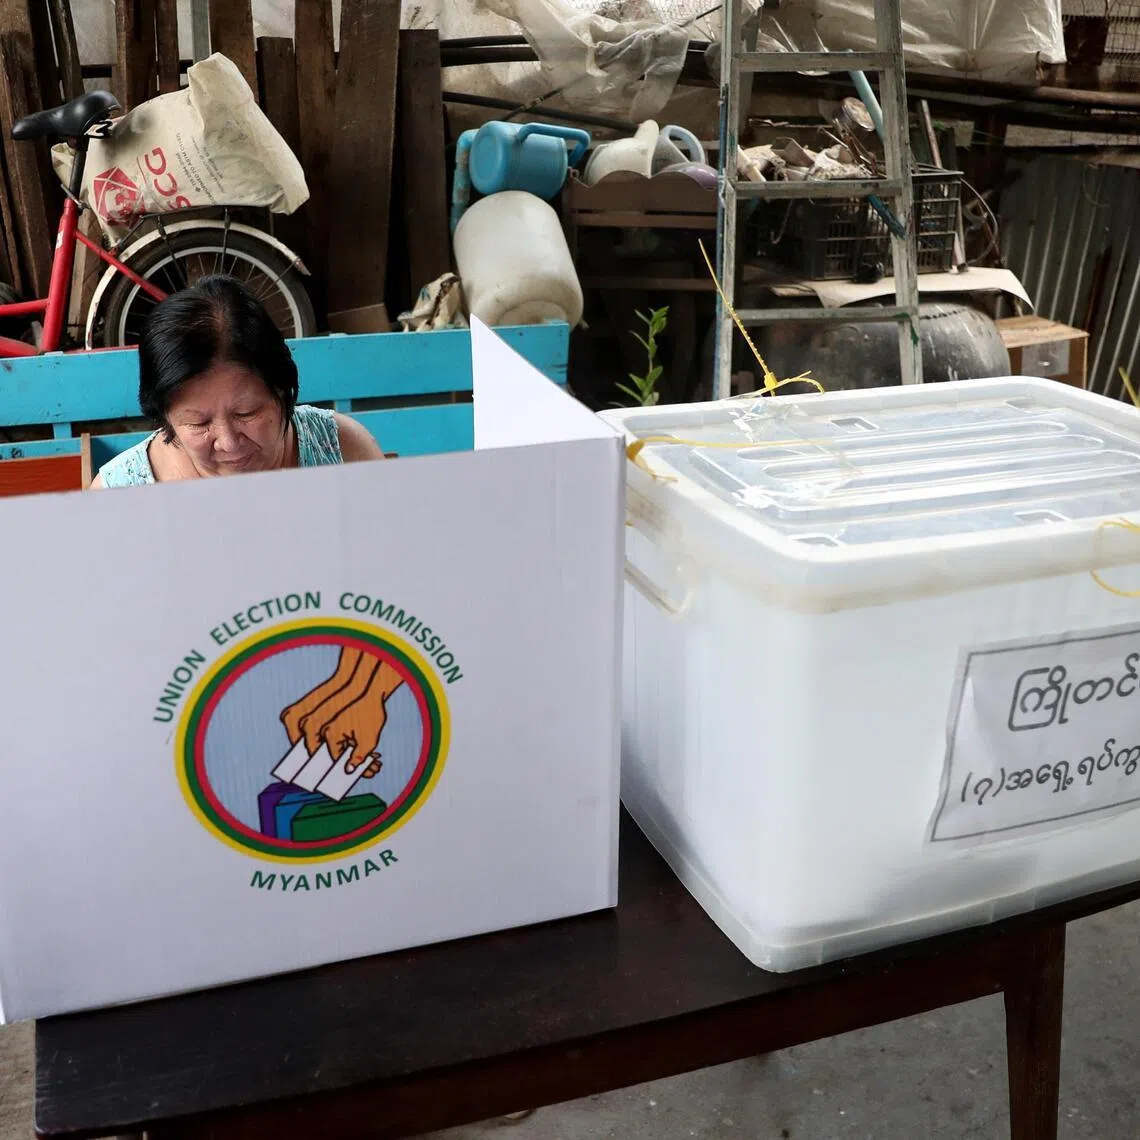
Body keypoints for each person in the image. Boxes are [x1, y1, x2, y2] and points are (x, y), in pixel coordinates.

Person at [92, 275, 384, 488]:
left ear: (283, 391)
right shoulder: (120, 494)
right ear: (165, 417)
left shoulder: (343, 451)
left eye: (247, 414)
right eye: (198, 424)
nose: (229, 443)